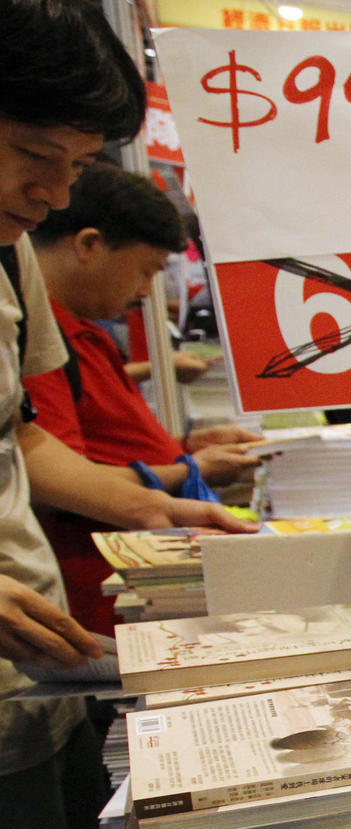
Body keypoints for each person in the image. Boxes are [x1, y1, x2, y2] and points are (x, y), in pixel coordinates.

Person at [0, 3, 251, 829]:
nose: (47, 197)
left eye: (66, 170)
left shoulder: (8, 258)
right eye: (29, 157)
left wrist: (156, 502)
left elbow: (28, 444)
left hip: (39, 668)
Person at [26, 163, 261, 633]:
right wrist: (184, 473)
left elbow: (93, 443)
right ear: (90, 245)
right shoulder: (38, 344)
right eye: (145, 270)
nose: (146, 292)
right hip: (108, 596)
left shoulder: (81, 335)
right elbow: (58, 478)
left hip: (136, 582)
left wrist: (188, 445)